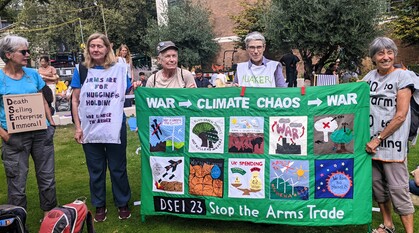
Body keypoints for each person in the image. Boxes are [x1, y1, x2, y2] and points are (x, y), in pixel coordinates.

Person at [71, 33, 132, 222]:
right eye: (92, 46)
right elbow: (75, 99)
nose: (96, 49)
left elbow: (126, 90)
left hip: (114, 126)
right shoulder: (81, 69)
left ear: (107, 48)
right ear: (88, 49)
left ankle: (122, 202)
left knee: (118, 167)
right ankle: (99, 205)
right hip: (90, 128)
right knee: (95, 169)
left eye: (100, 46)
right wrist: (78, 127)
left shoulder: (119, 69)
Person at [0, 35, 57, 217]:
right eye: (23, 51)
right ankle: (17, 222)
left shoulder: (32, 74)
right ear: (8, 54)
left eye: (28, 51)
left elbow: (43, 98)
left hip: (41, 133)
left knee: (47, 179)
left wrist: (51, 122)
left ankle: (51, 220)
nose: (28, 54)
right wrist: (4, 135)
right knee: (17, 183)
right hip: (14, 137)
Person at [363, 37, 415, 233]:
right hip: (371, 146)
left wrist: (379, 139)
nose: (386, 57)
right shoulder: (369, 78)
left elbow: (400, 115)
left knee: (399, 189)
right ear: (373, 58)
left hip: (392, 145)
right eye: (380, 53)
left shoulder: (403, 77)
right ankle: (388, 225)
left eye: (389, 52)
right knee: (379, 188)